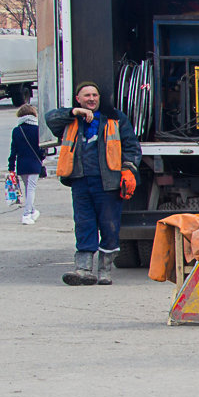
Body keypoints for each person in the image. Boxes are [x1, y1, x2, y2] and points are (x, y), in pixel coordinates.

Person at [46, 81, 141, 286]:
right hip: (80, 181)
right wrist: (74, 112)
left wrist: (128, 170)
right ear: (78, 99)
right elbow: (50, 118)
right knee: (84, 224)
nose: (91, 99)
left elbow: (132, 147)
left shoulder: (115, 118)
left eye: (94, 95)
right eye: (86, 95)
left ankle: (104, 271)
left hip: (108, 183)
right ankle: (83, 270)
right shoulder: (71, 120)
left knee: (109, 226)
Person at [7, 104, 44, 225]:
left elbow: (13, 150)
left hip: (21, 165)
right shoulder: (38, 129)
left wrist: (11, 167)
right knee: (31, 189)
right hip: (34, 164)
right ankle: (26, 214)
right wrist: (41, 158)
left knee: (28, 189)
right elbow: (41, 149)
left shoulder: (17, 130)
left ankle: (33, 211)